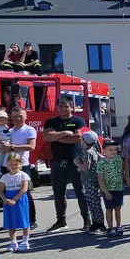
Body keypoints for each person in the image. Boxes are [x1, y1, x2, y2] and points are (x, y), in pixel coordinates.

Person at [43, 98, 89, 231]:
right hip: (57, 162)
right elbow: (47, 137)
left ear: (72, 107)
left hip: (75, 161)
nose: (63, 109)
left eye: (66, 106)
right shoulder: (51, 122)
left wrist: (56, 136)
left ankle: (87, 220)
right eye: (61, 106)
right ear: (57, 107)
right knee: (58, 193)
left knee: (81, 192)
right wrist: (66, 133)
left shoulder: (78, 121)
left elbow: (78, 138)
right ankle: (61, 221)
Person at [7, 107, 38, 228]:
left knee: (26, 192)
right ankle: (12, 220)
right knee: (9, 193)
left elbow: (31, 147)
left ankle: (32, 220)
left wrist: (14, 147)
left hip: (23, 166)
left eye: (20, 116)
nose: (17, 118)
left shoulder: (29, 130)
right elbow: (2, 147)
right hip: (8, 165)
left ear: (25, 117)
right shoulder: (9, 131)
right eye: (15, 116)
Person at [0, 153, 31, 251]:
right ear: (7, 164)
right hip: (8, 200)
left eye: (16, 164)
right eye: (11, 164)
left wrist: (14, 199)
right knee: (10, 221)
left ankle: (25, 242)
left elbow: (24, 189)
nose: (13, 166)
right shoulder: (5, 177)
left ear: (20, 164)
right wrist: (5, 199)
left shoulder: (23, 175)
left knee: (24, 220)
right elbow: (0, 190)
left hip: (20, 200)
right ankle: (13, 242)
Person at [75, 130, 105, 232]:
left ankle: (98, 223)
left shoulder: (87, 152)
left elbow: (86, 167)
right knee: (95, 202)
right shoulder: (94, 150)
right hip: (94, 180)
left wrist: (78, 165)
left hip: (89, 182)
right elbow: (101, 159)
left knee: (93, 203)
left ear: (84, 141)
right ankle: (98, 222)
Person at [97, 139, 125, 235]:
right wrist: (106, 192)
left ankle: (119, 226)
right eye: (110, 149)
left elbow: (122, 171)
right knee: (109, 209)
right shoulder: (101, 163)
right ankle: (110, 228)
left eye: (115, 149)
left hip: (118, 188)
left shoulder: (118, 159)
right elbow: (100, 179)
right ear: (104, 150)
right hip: (108, 190)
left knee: (118, 208)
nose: (113, 152)